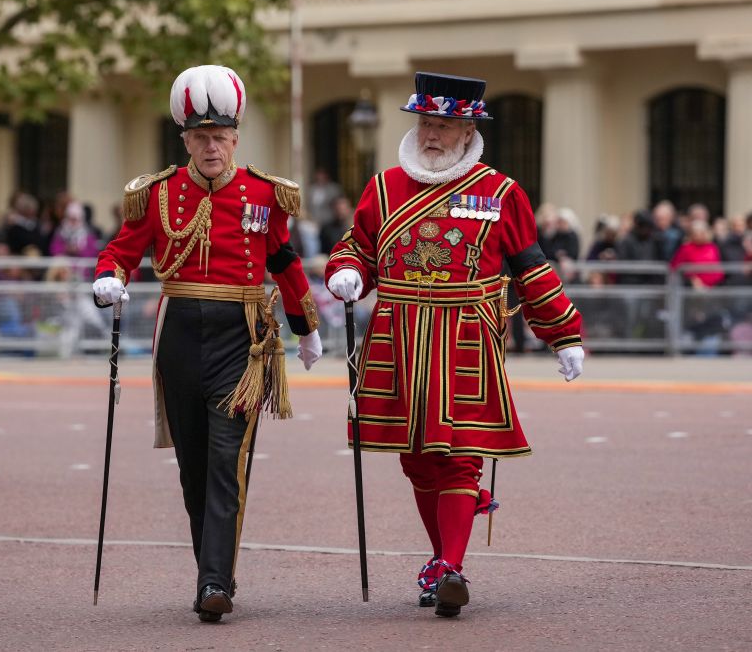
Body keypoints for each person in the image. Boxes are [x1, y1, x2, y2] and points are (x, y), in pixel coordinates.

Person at [325, 72, 585, 618]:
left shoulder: (502, 192)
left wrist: (562, 332)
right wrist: (346, 272)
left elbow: (530, 268)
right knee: (417, 461)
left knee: (462, 458)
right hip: (397, 339)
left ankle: (450, 569)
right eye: (425, 123)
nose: (432, 135)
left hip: (466, 336)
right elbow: (357, 248)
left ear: (469, 131)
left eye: (444, 126)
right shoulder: (382, 188)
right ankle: (442, 561)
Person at [93, 65, 323, 623]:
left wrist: (306, 326)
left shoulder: (267, 194)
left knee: (227, 460)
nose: (211, 146)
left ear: (236, 139)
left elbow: (283, 262)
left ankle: (214, 582)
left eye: (220, 137)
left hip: (241, 339)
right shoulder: (157, 193)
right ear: (185, 140)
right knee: (194, 466)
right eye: (200, 137)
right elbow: (122, 250)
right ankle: (213, 569)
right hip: (178, 334)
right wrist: (109, 279)